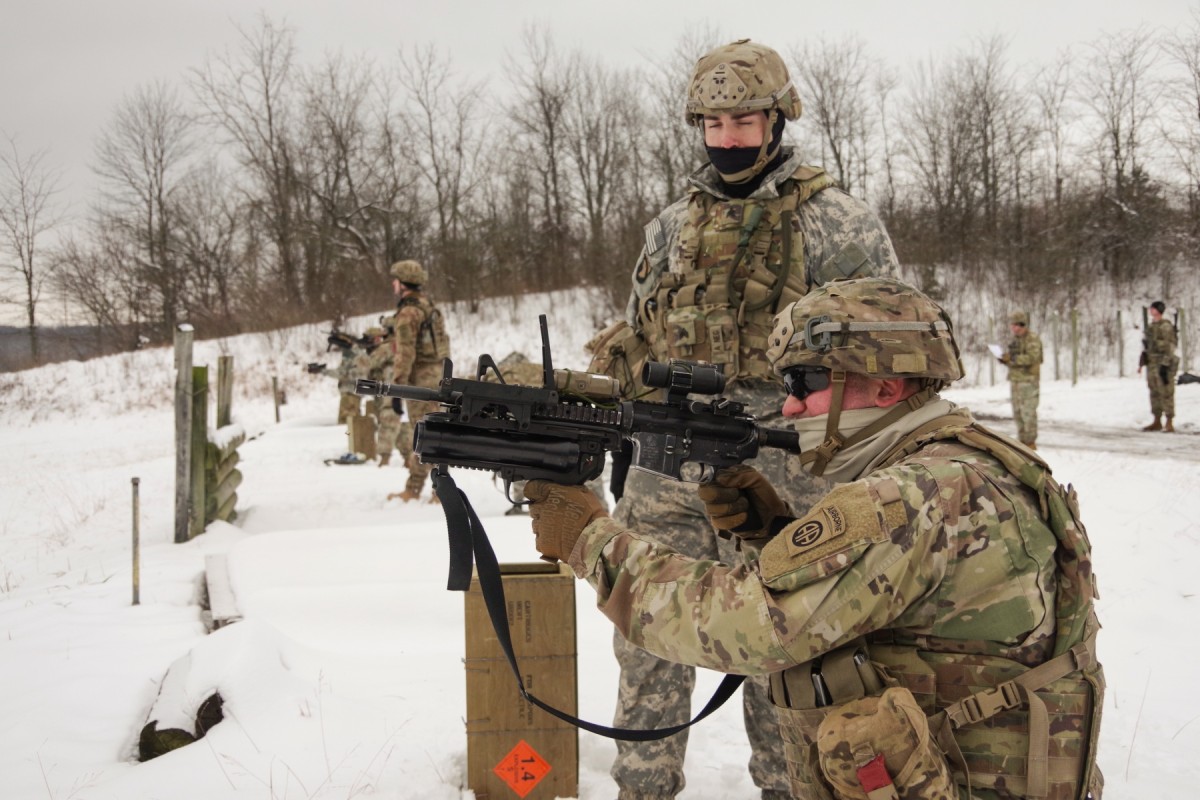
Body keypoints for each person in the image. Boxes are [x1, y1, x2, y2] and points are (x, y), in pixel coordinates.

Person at [525, 277, 1105, 800]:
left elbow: (744, 628)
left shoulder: (911, 496)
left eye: (805, 380)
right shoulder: (974, 461)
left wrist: (591, 539)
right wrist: (777, 533)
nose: (789, 404)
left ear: (886, 386)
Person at [607, 39, 901, 800]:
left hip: (787, 463)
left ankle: (789, 787)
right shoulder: (671, 227)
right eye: (713, 121)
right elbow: (638, 332)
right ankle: (642, 785)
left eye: (743, 119)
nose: (729, 137)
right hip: (667, 461)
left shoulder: (839, 223)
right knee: (645, 624)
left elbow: (893, 354)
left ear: (777, 118)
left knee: (788, 639)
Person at [384, 260, 451, 503]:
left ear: (403, 283)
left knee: (427, 436)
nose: (393, 284)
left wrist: (396, 387)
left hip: (420, 382)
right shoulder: (428, 307)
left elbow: (405, 352)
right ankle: (422, 488)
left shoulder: (409, 312)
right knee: (431, 434)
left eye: (395, 280)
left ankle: (438, 492)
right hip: (436, 377)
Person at [997, 310, 1043, 449]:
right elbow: (1014, 358)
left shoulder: (1032, 339)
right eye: (1012, 325)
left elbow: (1032, 358)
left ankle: (1030, 443)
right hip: (1016, 381)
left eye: (1016, 325)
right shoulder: (1016, 340)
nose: (1014, 328)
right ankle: (1022, 442)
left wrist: (1012, 359)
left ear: (1022, 325)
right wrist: (1005, 359)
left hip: (1028, 382)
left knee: (1028, 413)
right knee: (1018, 414)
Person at [1138, 300, 1178, 432]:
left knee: (1166, 392)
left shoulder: (1165, 327)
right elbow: (1147, 347)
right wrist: (1142, 363)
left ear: (1158, 310)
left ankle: (1169, 421)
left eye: (1153, 308)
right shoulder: (1151, 327)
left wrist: (1165, 365)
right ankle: (1157, 420)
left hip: (1162, 363)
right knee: (1154, 392)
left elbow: (1170, 346)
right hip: (1152, 363)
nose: (1151, 310)